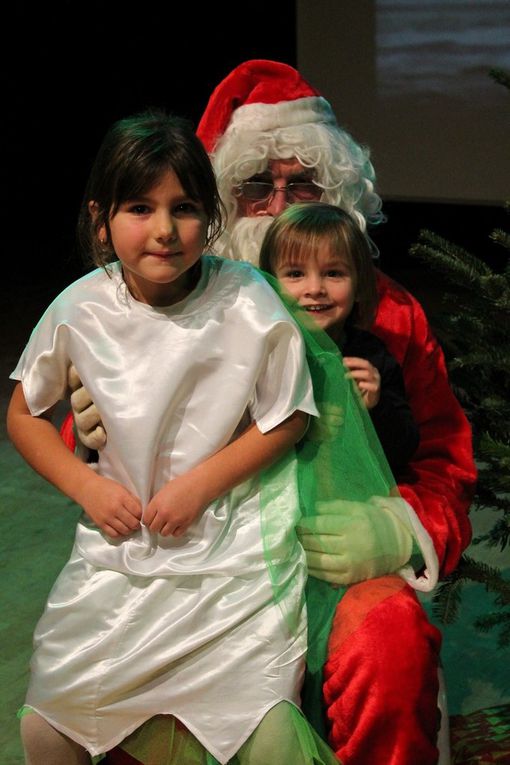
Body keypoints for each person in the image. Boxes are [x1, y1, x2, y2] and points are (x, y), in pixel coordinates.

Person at [63, 60, 476, 764]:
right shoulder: (154, 306)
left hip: (335, 569)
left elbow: (445, 458)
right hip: (202, 564)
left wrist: (395, 527)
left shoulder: (392, 313)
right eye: (257, 186)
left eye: (303, 183)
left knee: (389, 644)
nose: (280, 204)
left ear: (336, 193)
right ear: (222, 200)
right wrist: (93, 437)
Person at [7, 108, 357, 765]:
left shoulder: (247, 299)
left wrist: (200, 484)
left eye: (185, 207)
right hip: (118, 555)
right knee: (47, 725)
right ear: (100, 219)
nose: (165, 229)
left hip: (228, 557)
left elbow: (289, 415)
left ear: (212, 217)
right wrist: (84, 483)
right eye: (140, 206)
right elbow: (24, 414)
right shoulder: (79, 307)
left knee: (259, 732)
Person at [258, 201, 420, 475]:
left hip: (348, 498)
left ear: (359, 284)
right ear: (270, 283)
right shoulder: (262, 349)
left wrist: (376, 408)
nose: (315, 289)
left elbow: (402, 452)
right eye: (295, 274)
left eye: (333, 274)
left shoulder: (370, 356)